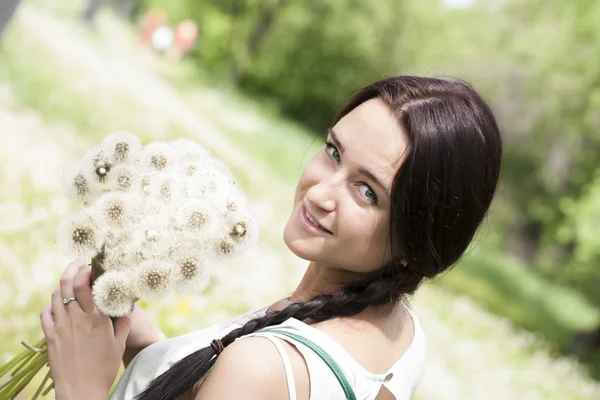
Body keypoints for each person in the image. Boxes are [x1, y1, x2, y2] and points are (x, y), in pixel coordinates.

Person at [40, 76, 503, 400]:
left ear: (420, 238)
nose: (320, 192)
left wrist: (81, 388)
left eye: (367, 192)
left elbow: (251, 381)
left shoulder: (261, 367)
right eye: (333, 151)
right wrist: (145, 344)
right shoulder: (400, 335)